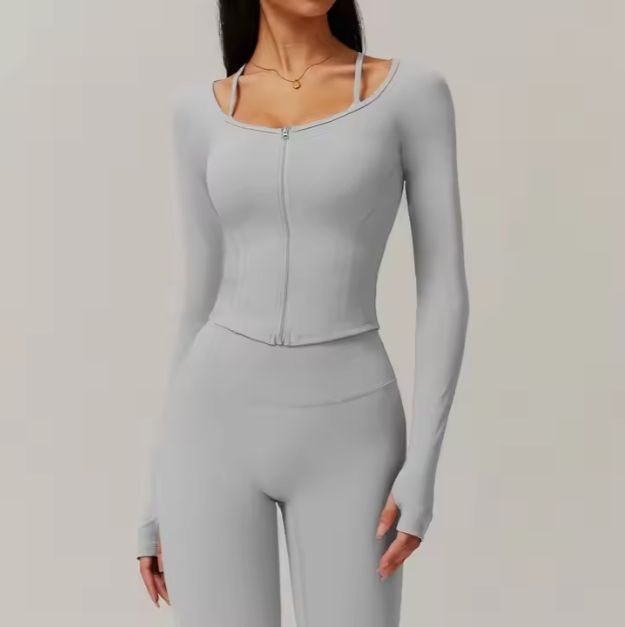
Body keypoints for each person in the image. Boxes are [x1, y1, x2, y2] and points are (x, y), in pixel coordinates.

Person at [136, 1, 469, 625]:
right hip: (208, 429)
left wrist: (423, 465)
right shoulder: (198, 112)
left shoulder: (411, 94)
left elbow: (443, 288)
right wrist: (154, 493)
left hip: (352, 433)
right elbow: (198, 299)